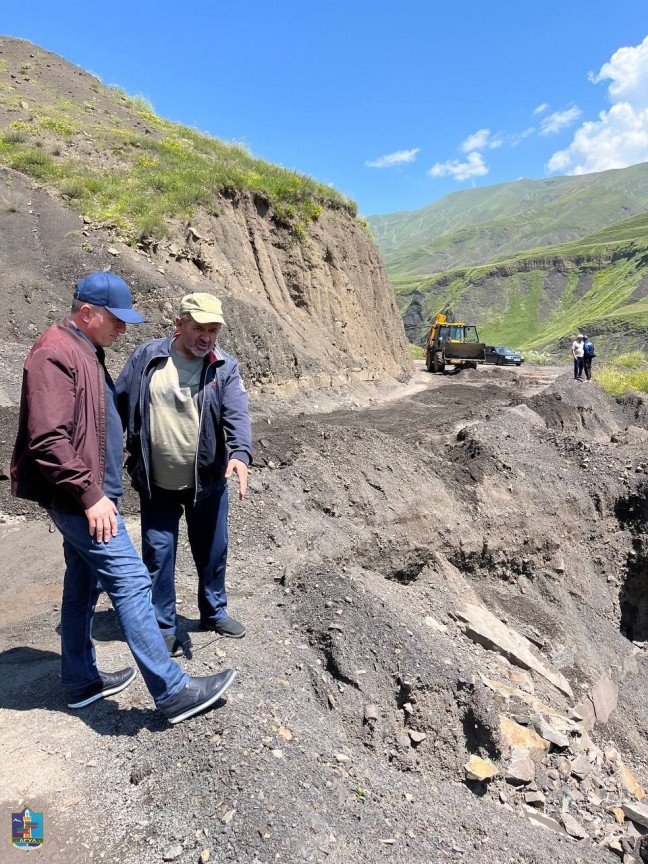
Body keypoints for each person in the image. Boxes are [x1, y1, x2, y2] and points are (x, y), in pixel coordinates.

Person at [11, 272, 236, 724]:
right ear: (88, 312)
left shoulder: (83, 349)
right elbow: (48, 440)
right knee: (133, 582)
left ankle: (80, 681)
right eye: (117, 319)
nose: (124, 329)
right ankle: (172, 691)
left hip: (84, 496)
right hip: (81, 501)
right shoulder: (54, 354)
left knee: (80, 588)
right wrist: (92, 494)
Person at [116, 292, 252, 657]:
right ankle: (163, 625)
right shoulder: (148, 357)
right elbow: (117, 404)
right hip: (155, 482)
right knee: (158, 555)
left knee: (211, 551)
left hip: (206, 482)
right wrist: (117, 450)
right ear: (179, 324)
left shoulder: (224, 366)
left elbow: (236, 414)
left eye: (213, 330)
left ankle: (214, 611)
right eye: (198, 328)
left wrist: (239, 453)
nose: (206, 337)